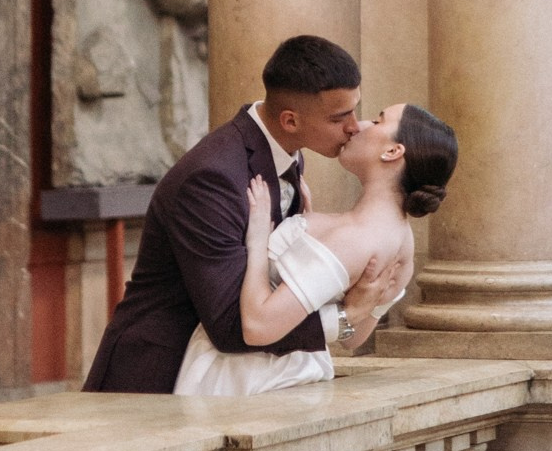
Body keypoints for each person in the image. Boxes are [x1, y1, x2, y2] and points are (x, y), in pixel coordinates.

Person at [82, 34, 388, 392]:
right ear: (290, 121)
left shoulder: (287, 153)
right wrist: (345, 318)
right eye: (339, 117)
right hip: (153, 382)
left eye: (354, 109)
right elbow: (231, 325)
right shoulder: (212, 178)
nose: (355, 126)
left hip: (216, 382)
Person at [175, 100, 459, 401]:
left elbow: (258, 326)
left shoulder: (352, 238)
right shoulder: (402, 241)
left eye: (378, 121)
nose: (358, 126)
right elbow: (355, 338)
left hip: (247, 381)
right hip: (300, 378)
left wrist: (257, 241)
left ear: (392, 151)